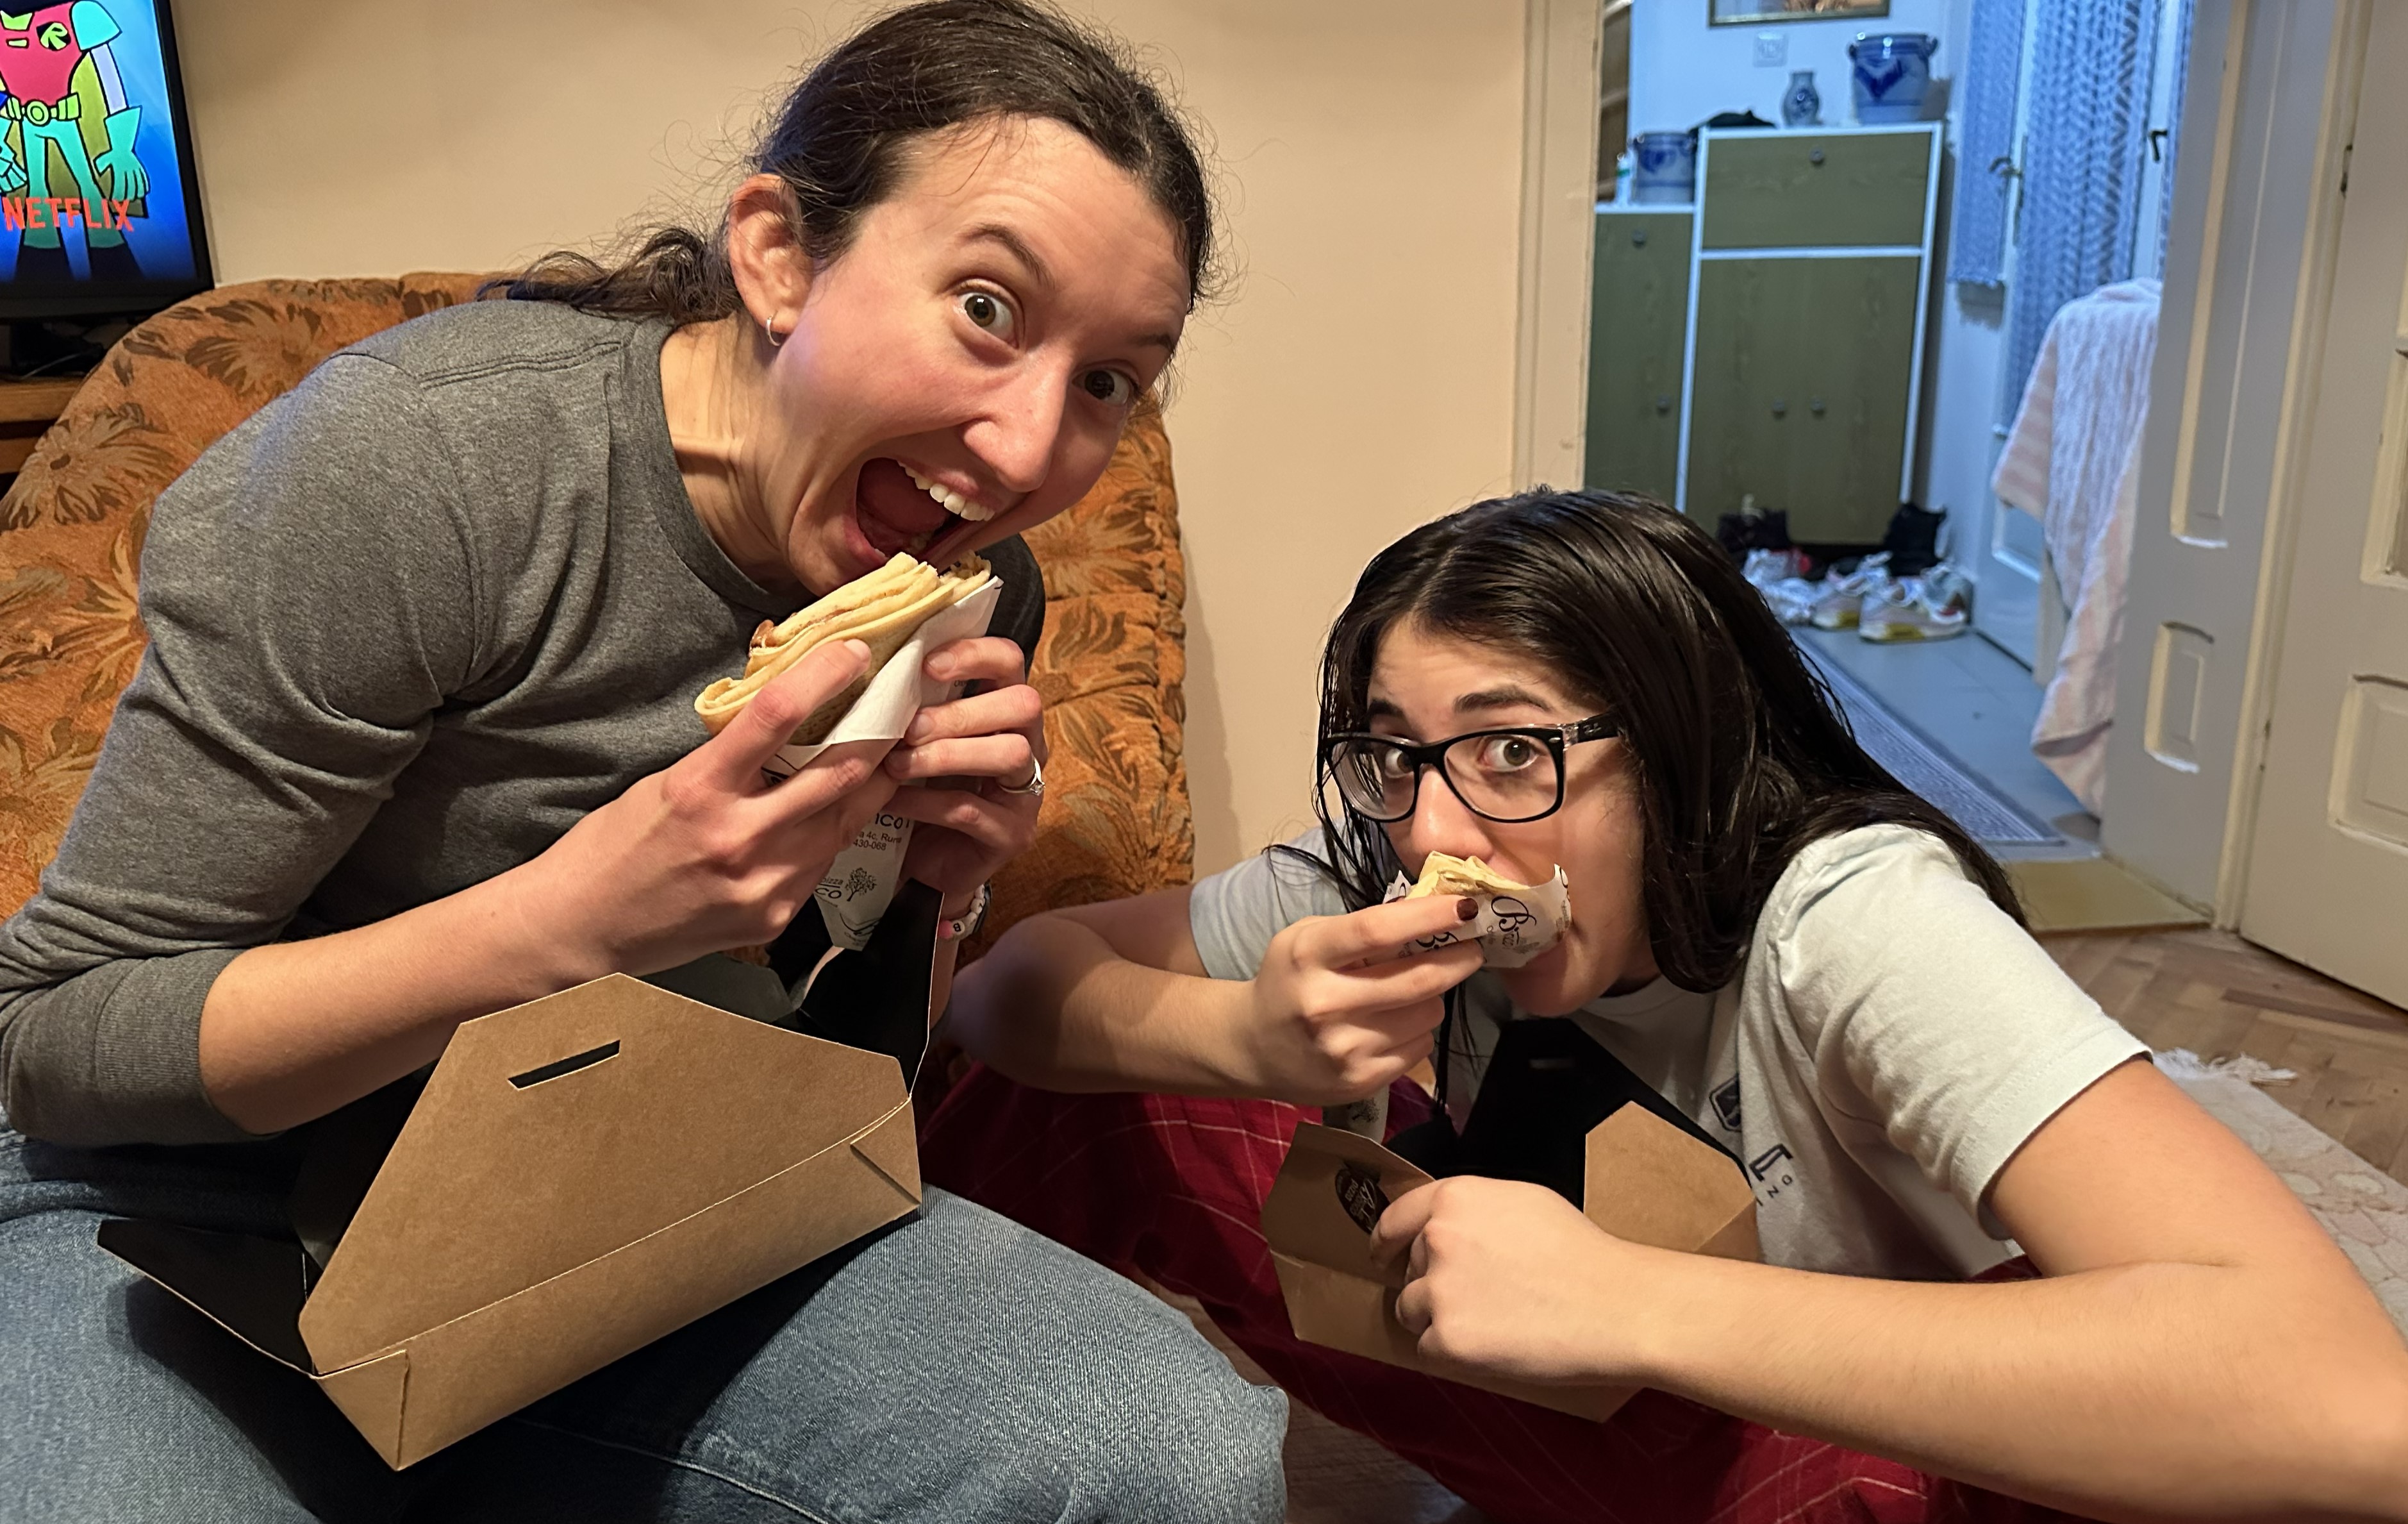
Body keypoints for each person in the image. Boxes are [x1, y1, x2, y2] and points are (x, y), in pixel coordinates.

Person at [0, 0, 1289, 1523]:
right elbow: (52, 1038)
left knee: (1174, 1454)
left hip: (613, 1198)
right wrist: (569, 922)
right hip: (187, 1199)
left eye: (1109, 381)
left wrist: (937, 889)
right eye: (989, 308)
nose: (1027, 452)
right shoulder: (426, 467)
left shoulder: (975, 588)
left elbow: (832, 1074)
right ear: (778, 253)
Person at [928, 487, 2408, 1524]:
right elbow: (1007, 993)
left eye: (1514, 751)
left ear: (1681, 754)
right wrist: (1236, 1037)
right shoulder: (1377, 864)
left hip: (1828, 1457)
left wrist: (1628, 1302)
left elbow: (2346, 1405)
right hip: (1544, 1412)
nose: (1438, 828)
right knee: (1091, 1088)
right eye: (1395, 752)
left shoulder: (1848, 915)